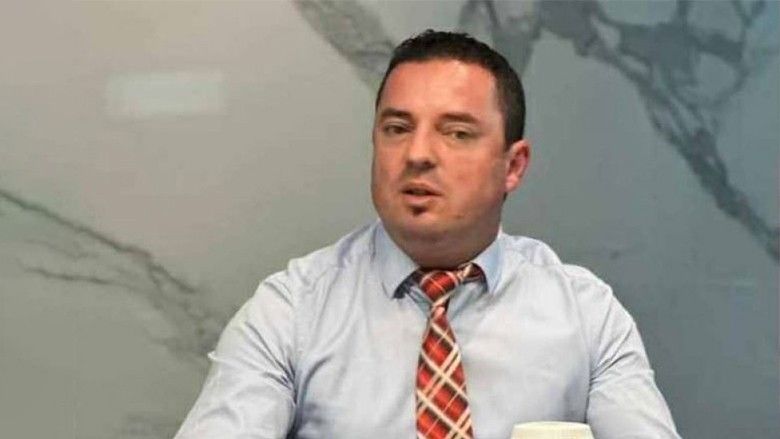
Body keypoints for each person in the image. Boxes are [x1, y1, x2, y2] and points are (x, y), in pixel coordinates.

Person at [174, 30, 680, 439]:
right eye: (397, 128)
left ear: (513, 166)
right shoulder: (291, 312)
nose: (417, 154)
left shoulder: (585, 315)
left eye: (456, 133)